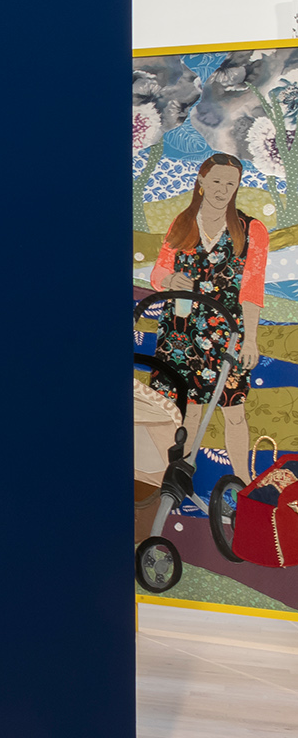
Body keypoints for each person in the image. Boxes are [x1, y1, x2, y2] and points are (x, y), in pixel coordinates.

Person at [138, 152, 271, 542]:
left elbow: (252, 289)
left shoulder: (251, 230)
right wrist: (169, 279)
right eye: (216, 182)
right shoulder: (182, 223)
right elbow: (159, 271)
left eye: (230, 184)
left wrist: (250, 338)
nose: (222, 190)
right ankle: (178, 488)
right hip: (181, 332)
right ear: (201, 182)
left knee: (233, 411)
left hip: (225, 333)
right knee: (187, 413)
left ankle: (244, 488)